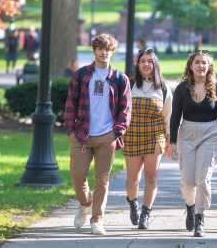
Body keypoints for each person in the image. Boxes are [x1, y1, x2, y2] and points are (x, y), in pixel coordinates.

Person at [64, 33, 132, 235]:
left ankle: (97, 219)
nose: (104, 53)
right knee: (77, 175)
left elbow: (125, 110)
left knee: (102, 179)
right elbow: (71, 103)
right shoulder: (81, 75)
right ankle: (85, 202)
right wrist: (70, 130)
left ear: (112, 52)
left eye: (108, 49)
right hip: (81, 134)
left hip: (107, 136)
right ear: (94, 50)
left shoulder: (120, 78)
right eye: (100, 49)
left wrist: (116, 133)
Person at [166, 50, 217, 237]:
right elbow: (175, 115)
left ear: (209, 66)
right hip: (186, 134)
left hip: (210, 134)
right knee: (188, 181)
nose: (201, 66)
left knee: (203, 179)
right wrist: (172, 142)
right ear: (191, 65)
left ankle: (200, 217)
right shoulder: (181, 89)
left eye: (204, 62)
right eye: (197, 62)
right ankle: (190, 206)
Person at [123, 49, 172, 230]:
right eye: (142, 60)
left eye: (149, 61)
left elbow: (168, 118)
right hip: (132, 134)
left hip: (155, 136)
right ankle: (133, 203)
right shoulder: (129, 84)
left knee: (151, 176)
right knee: (132, 180)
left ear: (155, 64)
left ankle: (145, 213)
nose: (146, 64)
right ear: (138, 64)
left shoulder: (164, 88)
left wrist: (170, 142)